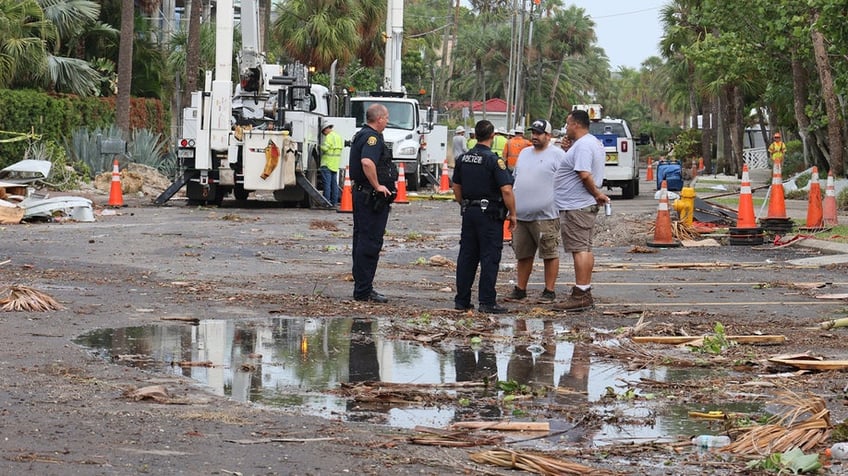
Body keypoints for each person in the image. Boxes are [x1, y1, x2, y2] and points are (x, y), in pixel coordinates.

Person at [452, 120, 516, 314]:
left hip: (469, 212)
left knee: (467, 257)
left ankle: (462, 300)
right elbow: (506, 189)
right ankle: (487, 301)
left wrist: (465, 203)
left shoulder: (463, 159)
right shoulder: (493, 160)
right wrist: (513, 213)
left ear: (475, 136)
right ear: (492, 136)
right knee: (489, 257)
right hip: (489, 215)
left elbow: (456, 187)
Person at [553, 109, 609, 312]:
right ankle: (584, 289)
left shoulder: (584, 145)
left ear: (576, 124)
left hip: (577, 205)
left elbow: (584, 175)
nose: (566, 127)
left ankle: (581, 293)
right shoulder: (587, 144)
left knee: (580, 249)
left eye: (568, 123)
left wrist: (596, 194)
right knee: (584, 247)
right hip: (578, 204)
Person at [506, 119, 565, 304]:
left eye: (539, 133)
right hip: (522, 215)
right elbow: (516, 179)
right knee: (523, 254)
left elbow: (566, 182)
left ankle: (549, 290)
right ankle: (520, 288)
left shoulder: (558, 155)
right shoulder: (524, 153)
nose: (535, 136)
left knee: (549, 253)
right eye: (533, 132)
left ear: (548, 136)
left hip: (546, 216)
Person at [349, 103, 398, 303]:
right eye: (386, 118)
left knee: (362, 240)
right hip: (369, 197)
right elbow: (367, 162)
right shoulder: (371, 138)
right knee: (369, 242)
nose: (387, 121)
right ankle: (363, 290)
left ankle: (363, 287)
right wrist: (377, 185)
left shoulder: (362, 135)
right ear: (379, 119)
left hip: (363, 195)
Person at [319, 123, 343, 206]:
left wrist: (319, 146)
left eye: (323, 132)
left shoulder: (329, 137)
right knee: (334, 184)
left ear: (326, 129)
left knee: (327, 184)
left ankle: (326, 202)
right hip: (334, 164)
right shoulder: (338, 137)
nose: (324, 134)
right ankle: (334, 202)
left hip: (327, 163)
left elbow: (325, 148)